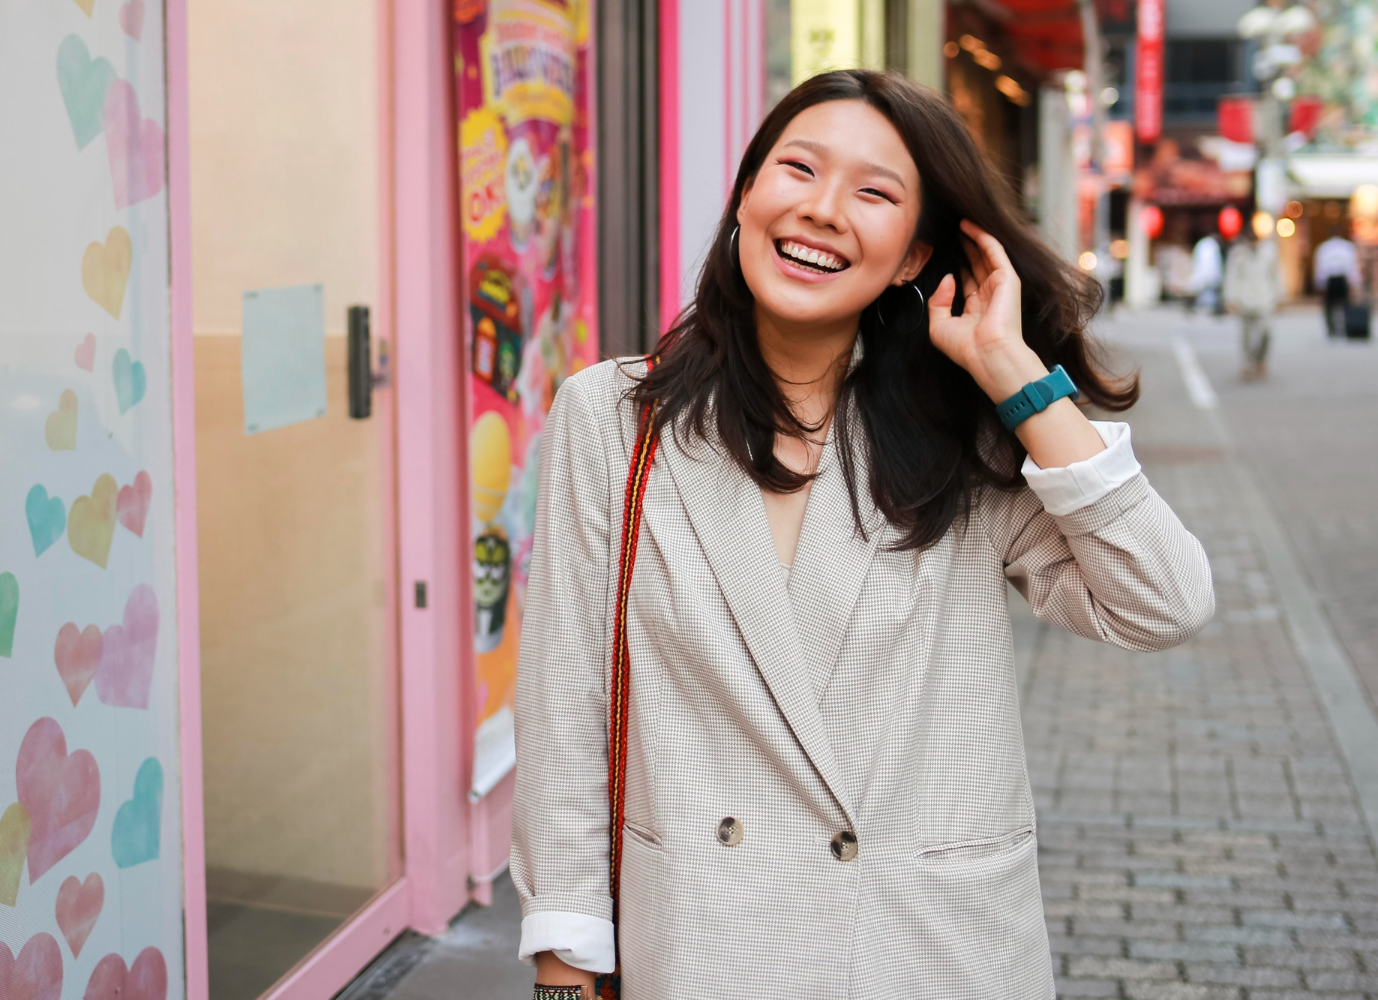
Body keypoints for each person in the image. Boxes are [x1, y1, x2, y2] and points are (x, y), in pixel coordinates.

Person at [513, 70, 1214, 1000]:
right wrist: (565, 962)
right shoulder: (615, 418)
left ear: (918, 251)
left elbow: (1162, 601)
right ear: (748, 195)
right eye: (797, 169)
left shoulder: (960, 432)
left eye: (874, 192)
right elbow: (567, 700)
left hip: (929, 946)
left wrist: (1015, 373)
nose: (823, 210)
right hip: (704, 945)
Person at [1223, 228, 1282, 380]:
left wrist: (1279, 296)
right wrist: (1230, 299)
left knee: (1267, 333)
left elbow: (1275, 276)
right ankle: (1247, 364)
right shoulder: (1238, 255)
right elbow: (1232, 276)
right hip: (1244, 300)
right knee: (1246, 337)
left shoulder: (1269, 254)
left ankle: (1260, 359)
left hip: (1264, 299)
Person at [1313, 226, 1361, 337]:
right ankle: (1345, 327)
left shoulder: (1324, 248)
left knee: (1329, 307)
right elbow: (1352, 267)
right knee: (1345, 305)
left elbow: (1321, 268)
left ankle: (1332, 329)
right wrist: (1354, 284)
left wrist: (1320, 285)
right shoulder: (1347, 247)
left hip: (1331, 280)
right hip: (1342, 279)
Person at [1189, 229, 1224, 313]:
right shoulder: (1210, 246)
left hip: (1204, 280)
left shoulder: (1203, 244)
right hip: (1207, 281)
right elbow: (1210, 266)